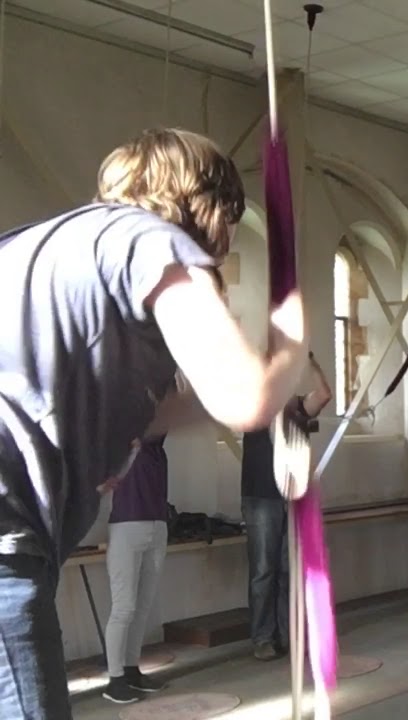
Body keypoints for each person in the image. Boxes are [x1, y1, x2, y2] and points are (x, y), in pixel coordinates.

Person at [0, 127, 308, 719]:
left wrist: (106, 447)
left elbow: (162, 412)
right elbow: (247, 401)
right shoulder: (150, 240)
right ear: (210, 207)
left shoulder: (45, 245)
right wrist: (290, 338)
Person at [240, 353, 331, 660]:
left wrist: (310, 362)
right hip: (261, 496)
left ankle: (287, 634)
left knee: (285, 568)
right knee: (264, 570)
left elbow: (323, 395)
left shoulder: (295, 408)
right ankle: (262, 637)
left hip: (290, 497)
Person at [100, 436, 170, 704]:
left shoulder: (158, 451)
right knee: (124, 607)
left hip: (157, 525)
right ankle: (115, 679)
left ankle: (131, 669)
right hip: (127, 526)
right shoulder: (126, 446)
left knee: (142, 607)